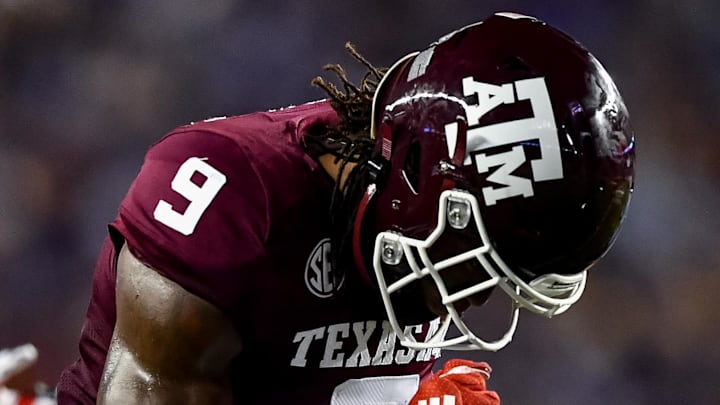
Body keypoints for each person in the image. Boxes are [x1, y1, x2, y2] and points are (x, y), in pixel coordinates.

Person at [57, 11, 635, 404]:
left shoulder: (409, 223)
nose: (478, 297)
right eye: (482, 263)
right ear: (414, 176)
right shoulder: (229, 197)